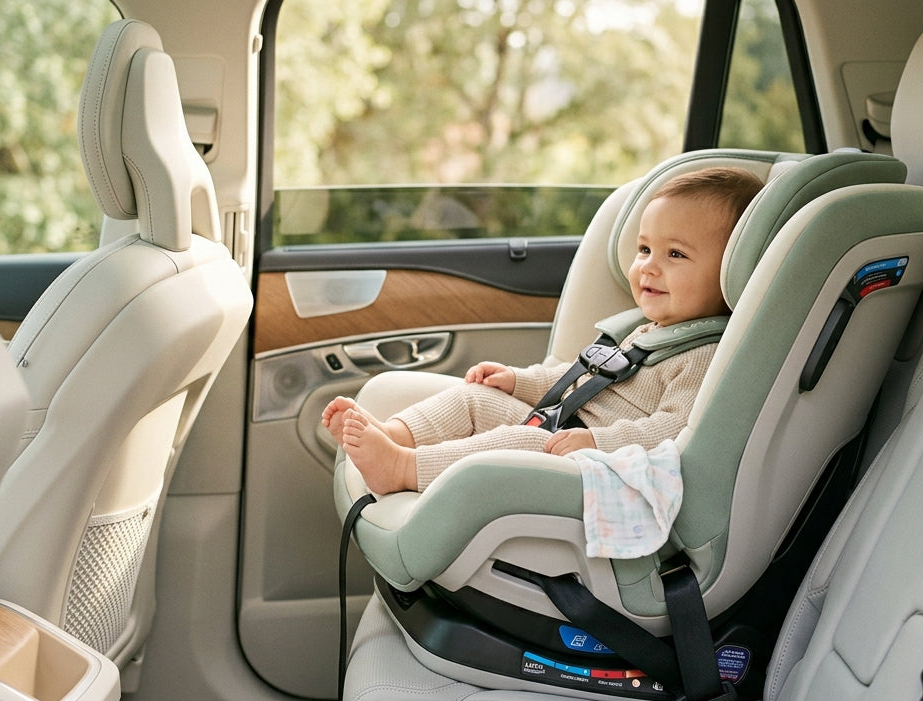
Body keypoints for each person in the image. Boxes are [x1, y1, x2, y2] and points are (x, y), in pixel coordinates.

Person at [323, 166, 764, 495]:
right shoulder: (646, 331)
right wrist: (519, 381)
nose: (648, 265)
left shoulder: (703, 355)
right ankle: (395, 434)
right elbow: (581, 379)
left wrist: (596, 440)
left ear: (731, 274)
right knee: (475, 398)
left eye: (676, 255)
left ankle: (402, 467)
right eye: (645, 248)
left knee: (522, 441)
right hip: (563, 424)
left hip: (591, 460)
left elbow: (671, 433)